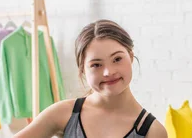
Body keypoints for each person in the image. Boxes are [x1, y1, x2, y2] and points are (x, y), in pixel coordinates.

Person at [15, 19, 168, 138]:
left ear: (131, 56)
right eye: (96, 65)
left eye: (117, 59)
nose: (108, 72)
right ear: (82, 69)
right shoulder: (62, 113)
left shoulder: (153, 131)